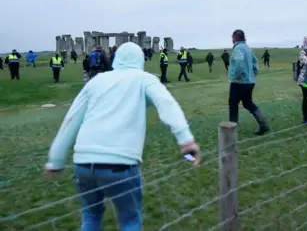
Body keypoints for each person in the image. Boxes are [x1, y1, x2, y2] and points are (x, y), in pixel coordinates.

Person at [43, 42, 201, 230]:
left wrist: (56, 160)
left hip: (83, 163)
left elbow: (71, 120)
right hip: (120, 164)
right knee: (130, 220)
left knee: (91, 217)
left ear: (115, 60)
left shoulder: (96, 81)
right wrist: (186, 140)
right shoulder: (144, 79)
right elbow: (166, 103)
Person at [228, 29, 269, 135]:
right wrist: (253, 74)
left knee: (233, 104)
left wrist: (234, 77)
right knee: (248, 103)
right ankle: (263, 123)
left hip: (239, 83)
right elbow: (255, 62)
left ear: (235, 38)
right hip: (250, 82)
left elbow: (240, 64)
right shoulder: (247, 48)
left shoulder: (238, 48)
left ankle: (232, 129)